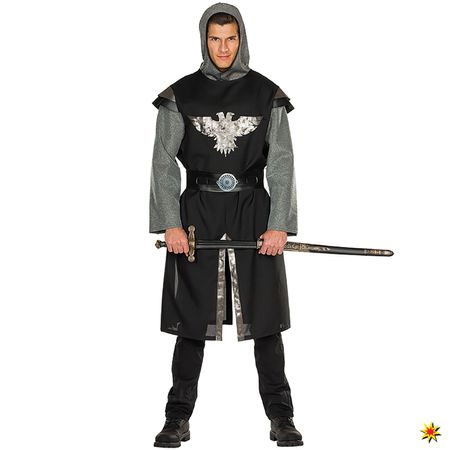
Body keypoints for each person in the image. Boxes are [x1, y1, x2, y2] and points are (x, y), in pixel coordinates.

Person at [149, 3, 302, 447]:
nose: (222, 47)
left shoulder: (267, 94)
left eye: (230, 38)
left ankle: (282, 417)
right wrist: (171, 224)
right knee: (191, 322)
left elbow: (282, 164)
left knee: (266, 322)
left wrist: (279, 225)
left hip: (254, 212)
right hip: (196, 216)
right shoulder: (180, 95)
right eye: (215, 39)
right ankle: (177, 417)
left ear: (241, 39)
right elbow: (163, 163)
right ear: (204, 39)